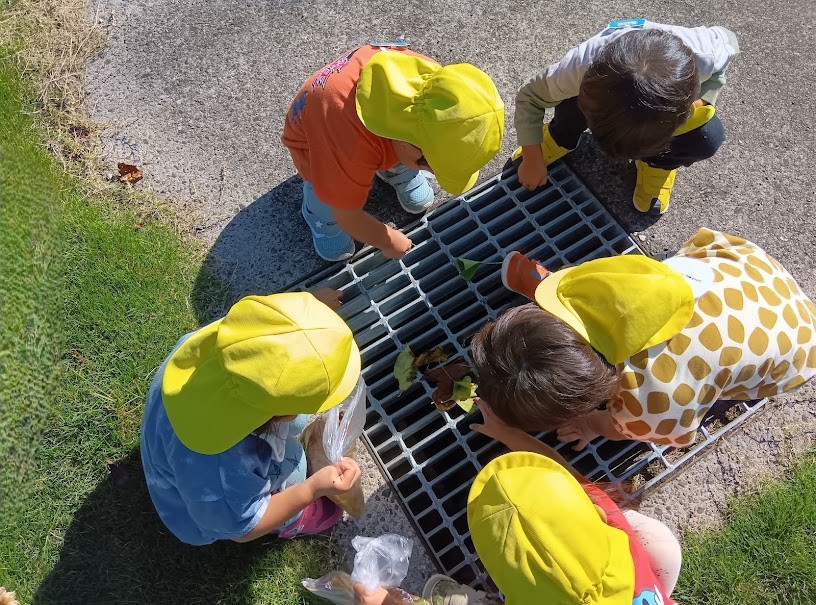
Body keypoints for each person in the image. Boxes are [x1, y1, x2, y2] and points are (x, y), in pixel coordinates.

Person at [471, 228, 816, 449]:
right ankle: (544, 288)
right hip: (745, 271)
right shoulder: (595, 287)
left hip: (796, 342)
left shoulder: (655, 399)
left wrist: (593, 424)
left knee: (704, 395)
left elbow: (621, 427)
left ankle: (716, 389)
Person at [140, 289, 363, 544]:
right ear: (277, 415)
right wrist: (313, 489)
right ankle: (294, 521)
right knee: (298, 467)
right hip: (202, 508)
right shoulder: (222, 474)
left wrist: (310, 321)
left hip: (170, 437)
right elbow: (244, 528)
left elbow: (274, 338)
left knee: (298, 425)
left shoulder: (225, 347)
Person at [282, 43, 504, 261]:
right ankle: (319, 216)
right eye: (427, 164)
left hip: (384, 121)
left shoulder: (445, 97)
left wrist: (416, 157)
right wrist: (385, 239)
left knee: (401, 150)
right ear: (408, 142)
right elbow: (346, 214)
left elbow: (413, 138)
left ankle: (394, 168)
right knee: (328, 194)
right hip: (316, 142)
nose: (433, 173)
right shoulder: (351, 143)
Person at [514, 20, 739, 214]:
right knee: (571, 102)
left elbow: (730, 40)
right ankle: (560, 136)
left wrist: (705, 99)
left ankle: (657, 163)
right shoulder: (578, 70)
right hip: (597, 85)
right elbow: (529, 98)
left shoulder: (705, 55)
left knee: (706, 136)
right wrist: (532, 156)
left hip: (666, 99)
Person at [467, 400, 681, 604]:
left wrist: (503, 432)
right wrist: (505, 431)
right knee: (660, 546)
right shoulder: (623, 546)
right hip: (640, 583)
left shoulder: (616, 537)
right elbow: (562, 469)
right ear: (598, 515)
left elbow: (560, 468)